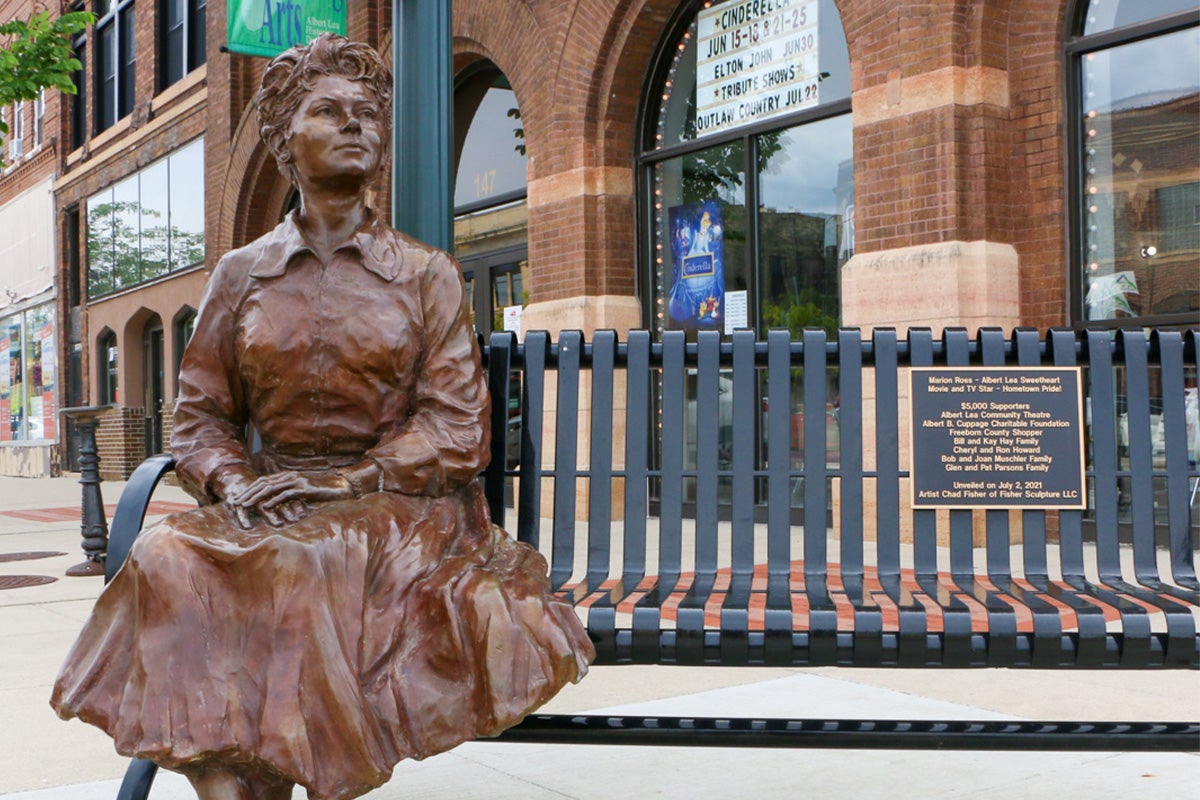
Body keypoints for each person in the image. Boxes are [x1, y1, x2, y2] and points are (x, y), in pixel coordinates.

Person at [51, 34, 594, 800]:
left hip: (398, 506)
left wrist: (351, 482)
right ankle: (238, 779)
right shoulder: (240, 276)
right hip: (269, 495)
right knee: (167, 554)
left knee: (301, 560)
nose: (356, 125)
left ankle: (256, 781)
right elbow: (200, 418)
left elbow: (456, 427)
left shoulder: (426, 274)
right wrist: (234, 485)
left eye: (369, 114)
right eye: (329, 112)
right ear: (283, 139)